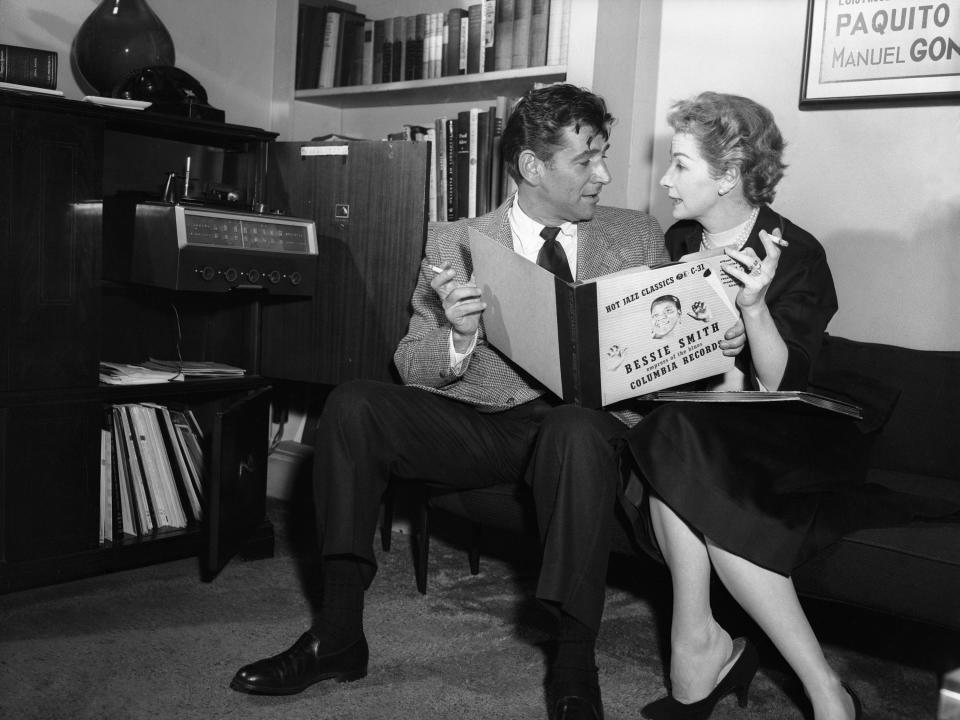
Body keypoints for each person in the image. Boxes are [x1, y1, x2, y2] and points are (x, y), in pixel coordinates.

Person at [229, 83, 668, 720]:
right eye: (585, 160)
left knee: (574, 428)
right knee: (355, 404)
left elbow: (664, 350)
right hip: (488, 426)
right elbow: (410, 362)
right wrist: (460, 339)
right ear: (530, 167)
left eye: (604, 155)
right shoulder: (457, 241)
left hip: (584, 432)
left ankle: (574, 667)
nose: (603, 174)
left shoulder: (636, 236)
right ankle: (338, 635)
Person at [623, 91, 866, 720]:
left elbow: (788, 382)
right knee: (677, 435)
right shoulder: (679, 239)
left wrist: (754, 311)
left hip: (789, 436)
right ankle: (716, 651)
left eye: (680, 165)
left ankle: (721, 654)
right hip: (701, 432)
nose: (666, 180)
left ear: (728, 175)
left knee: (678, 446)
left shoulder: (798, 252)